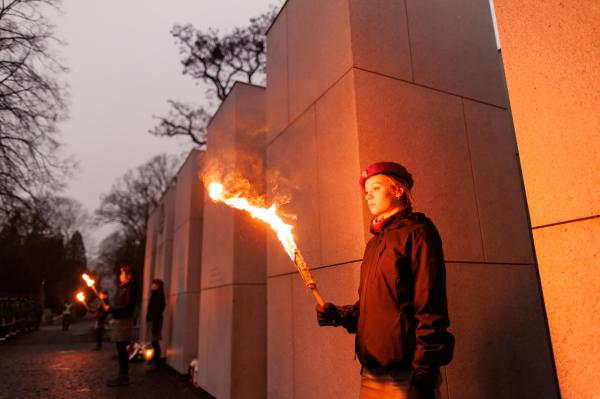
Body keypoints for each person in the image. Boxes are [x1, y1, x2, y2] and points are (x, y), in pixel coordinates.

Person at [316, 162, 455, 399]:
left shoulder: (418, 233)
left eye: (376, 188)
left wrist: (423, 375)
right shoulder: (375, 243)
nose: (368, 195)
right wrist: (340, 315)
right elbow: (378, 306)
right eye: (366, 191)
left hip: (406, 375)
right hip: (371, 374)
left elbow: (430, 306)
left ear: (398, 190)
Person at [104, 265, 138, 387]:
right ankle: (122, 376)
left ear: (128, 275)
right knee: (120, 349)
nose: (120, 275)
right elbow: (119, 305)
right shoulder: (123, 287)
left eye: (122, 273)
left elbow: (127, 308)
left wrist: (111, 309)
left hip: (124, 321)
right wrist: (109, 307)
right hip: (119, 320)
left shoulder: (130, 288)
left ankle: (124, 377)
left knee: (122, 349)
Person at [145, 279, 166, 371]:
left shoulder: (158, 296)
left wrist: (154, 325)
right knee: (154, 342)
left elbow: (157, 311)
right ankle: (156, 362)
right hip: (154, 321)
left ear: (157, 285)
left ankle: (157, 364)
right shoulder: (155, 295)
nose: (151, 286)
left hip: (155, 321)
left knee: (155, 342)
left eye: (153, 284)